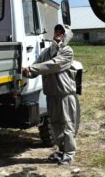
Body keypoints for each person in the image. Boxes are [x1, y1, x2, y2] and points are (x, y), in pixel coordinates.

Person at [22, 23, 80, 165]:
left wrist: (31, 68)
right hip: (51, 94)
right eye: (56, 30)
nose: (58, 33)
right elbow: (37, 67)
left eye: (61, 31)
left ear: (66, 35)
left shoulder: (67, 51)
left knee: (66, 123)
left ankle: (69, 153)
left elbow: (53, 65)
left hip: (64, 94)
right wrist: (27, 72)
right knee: (55, 124)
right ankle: (61, 150)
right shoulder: (46, 52)